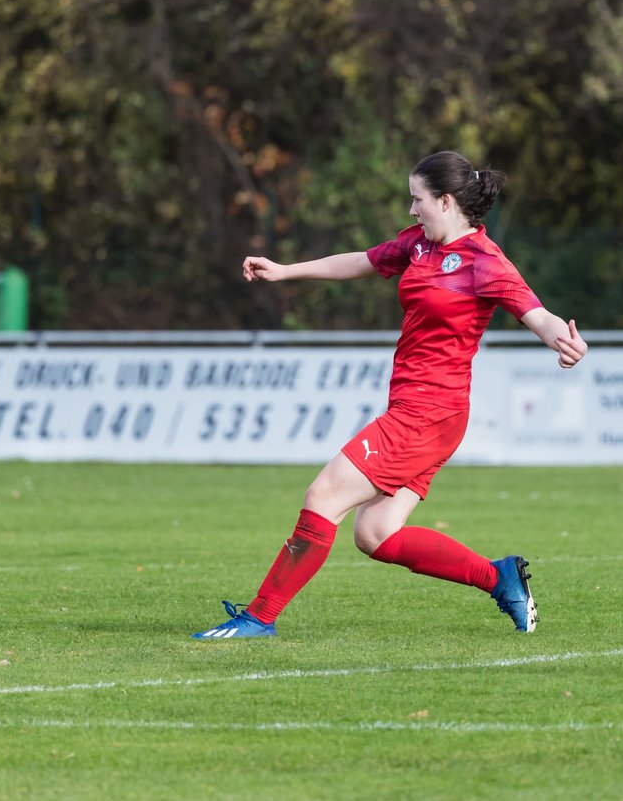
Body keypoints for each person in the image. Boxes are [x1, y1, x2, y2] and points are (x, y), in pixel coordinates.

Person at [192, 150, 588, 639]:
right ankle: (500, 576)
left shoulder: (486, 263)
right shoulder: (418, 245)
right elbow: (360, 261)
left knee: (323, 495)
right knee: (374, 534)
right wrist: (286, 270)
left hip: (430, 413)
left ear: (445, 201)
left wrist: (564, 342)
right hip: (417, 410)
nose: (412, 210)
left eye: (417, 199)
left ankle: (259, 617)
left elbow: (536, 313)